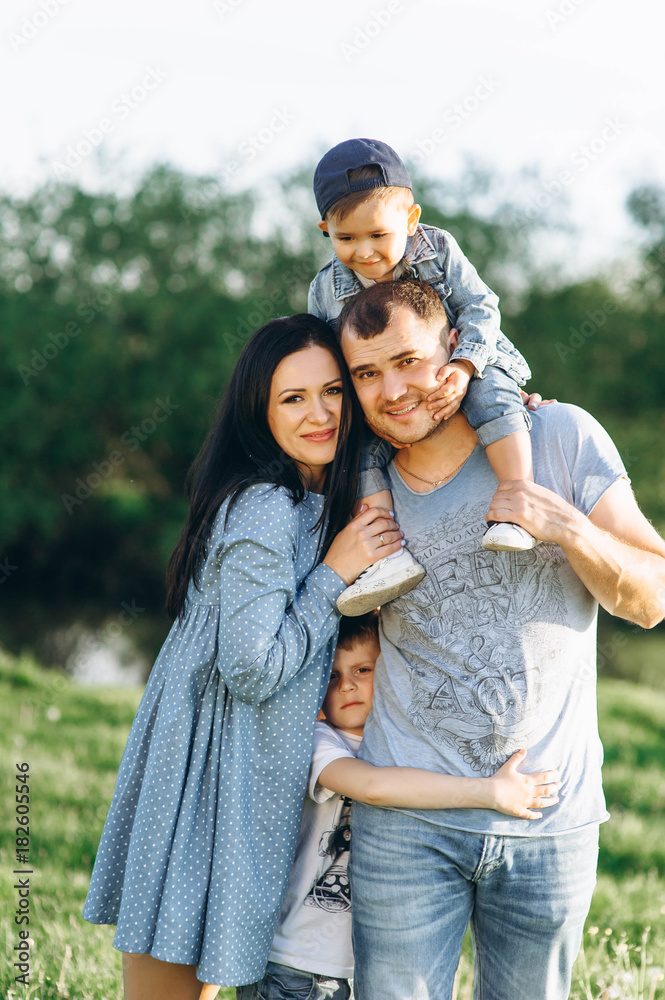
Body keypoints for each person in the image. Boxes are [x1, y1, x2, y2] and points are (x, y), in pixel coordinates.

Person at [336, 278, 665, 1000]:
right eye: (366, 373)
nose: (391, 391)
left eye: (407, 361)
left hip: (551, 821)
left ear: (456, 346)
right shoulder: (358, 485)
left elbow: (651, 600)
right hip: (405, 823)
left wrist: (569, 528)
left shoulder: (557, 435)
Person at [82, 314, 406, 998]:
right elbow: (251, 668)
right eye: (293, 399)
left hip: (248, 772)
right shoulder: (265, 507)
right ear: (259, 412)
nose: (319, 414)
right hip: (208, 773)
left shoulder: (322, 497)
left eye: (333, 392)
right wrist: (334, 574)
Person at [223, 612, 559, 1000]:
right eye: (332, 676)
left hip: (364, 966)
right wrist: (489, 792)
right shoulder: (319, 742)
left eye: (363, 669)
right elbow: (373, 787)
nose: (347, 685)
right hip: (300, 968)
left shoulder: (402, 747)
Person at [309, 138, 538, 617]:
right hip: (383, 392)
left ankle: (518, 502)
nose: (365, 252)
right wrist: (357, 407)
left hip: (462, 359)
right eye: (346, 239)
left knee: (492, 395)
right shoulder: (325, 290)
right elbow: (328, 357)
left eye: (377, 234)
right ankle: (386, 554)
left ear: (411, 221)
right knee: (359, 446)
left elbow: (481, 306)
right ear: (325, 229)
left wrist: (466, 365)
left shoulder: (439, 250)